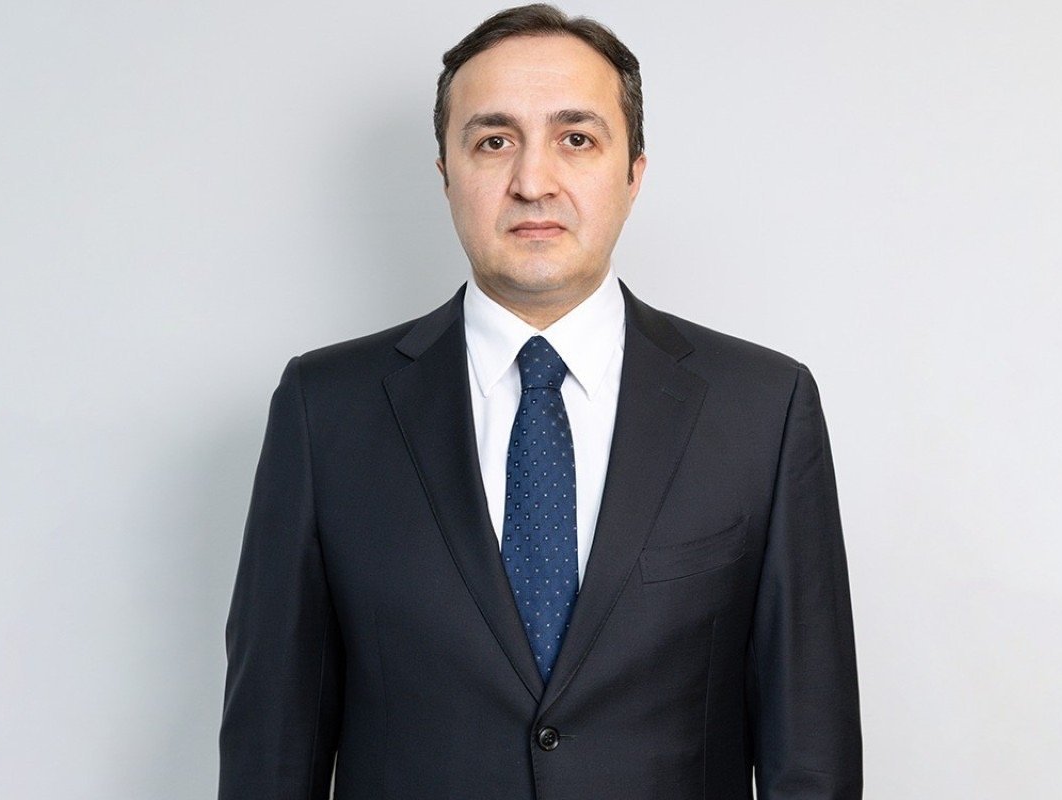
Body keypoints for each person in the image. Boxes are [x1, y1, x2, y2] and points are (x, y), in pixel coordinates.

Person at [218, 5, 862, 799]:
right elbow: (270, 755)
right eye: (493, 141)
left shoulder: (763, 410)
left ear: (634, 174)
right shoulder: (325, 412)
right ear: (446, 174)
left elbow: (813, 761)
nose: (532, 182)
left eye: (576, 139)